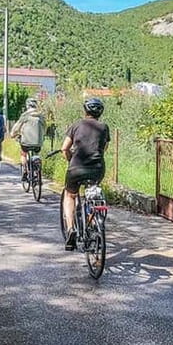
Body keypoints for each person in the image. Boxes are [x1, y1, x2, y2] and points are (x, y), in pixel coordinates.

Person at [61, 98, 110, 250]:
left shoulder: (76, 125)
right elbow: (104, 148)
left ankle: (70, 229)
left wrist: (70, 159)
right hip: (97, 168)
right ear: (100, 113)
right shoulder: (104, 127)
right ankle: (93, 225)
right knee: (92, 195)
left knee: (70, 195)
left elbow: (64, 148)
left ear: (85, 111)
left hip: (76, 168)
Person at [10, 98, 46, 180]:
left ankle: (25, 170)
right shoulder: (41, 116)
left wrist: (13, 134)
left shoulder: (25, 116)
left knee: (23, 153)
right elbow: (45, 127)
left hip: (26, 142)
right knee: (36, 153)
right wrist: (42, 135)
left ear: (27, 106)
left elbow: (17, 127)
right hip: (38, 142)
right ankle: (37, 170)